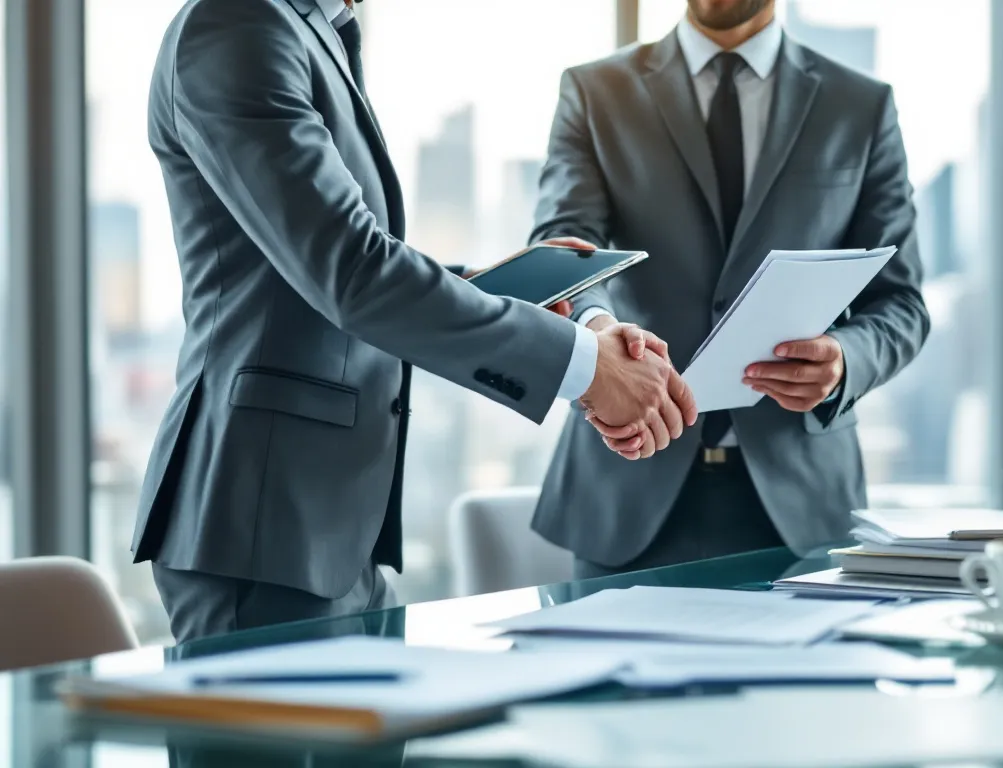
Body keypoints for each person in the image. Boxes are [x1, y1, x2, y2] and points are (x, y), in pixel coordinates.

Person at [133, 0, 695, 643]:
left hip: (333, 530)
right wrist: (581, 367)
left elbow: (336, 264)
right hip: (261, 529)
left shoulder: (305, 29)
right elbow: (353, 272)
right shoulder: (236, 25)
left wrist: (510, 293)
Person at [531, 0, 930, 577]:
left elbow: (902, 302)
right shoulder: (596, 91)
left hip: (803, 503)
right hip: (626, 489)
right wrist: (598, 331)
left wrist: (846, 359)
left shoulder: (860, 105)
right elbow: (564, 247)